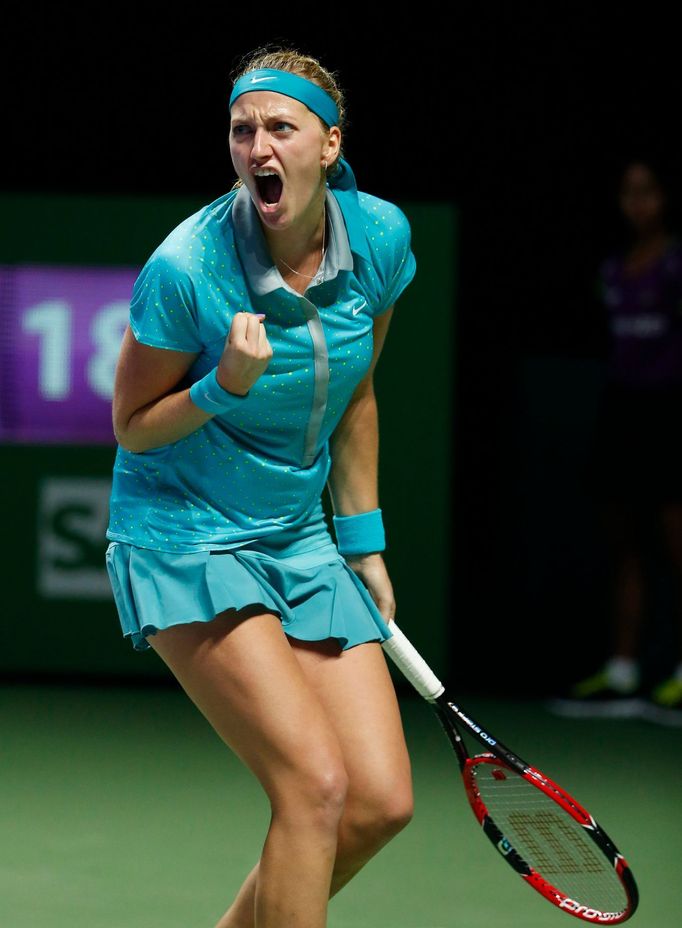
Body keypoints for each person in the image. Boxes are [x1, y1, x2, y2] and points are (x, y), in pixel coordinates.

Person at [104, 45, 418, 928]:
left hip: (299, 535)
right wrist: (219, 388)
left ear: (330, 144)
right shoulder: (185, 269)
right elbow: (130, 424)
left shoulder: (381, 238)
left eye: (281, 127)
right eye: (243, 130)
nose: (257, 147)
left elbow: (357, 398)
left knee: (378, 802)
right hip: (186, 535)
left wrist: (366, 544)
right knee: (314, 787)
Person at [554, 155, 682, 725]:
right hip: (623, 411)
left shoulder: (677, 262)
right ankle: (625, 671)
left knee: (677, 539)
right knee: (624, 539)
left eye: (648, 191)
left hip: (672, 412)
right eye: (628, 192)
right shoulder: (612, 266)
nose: (638, 204)